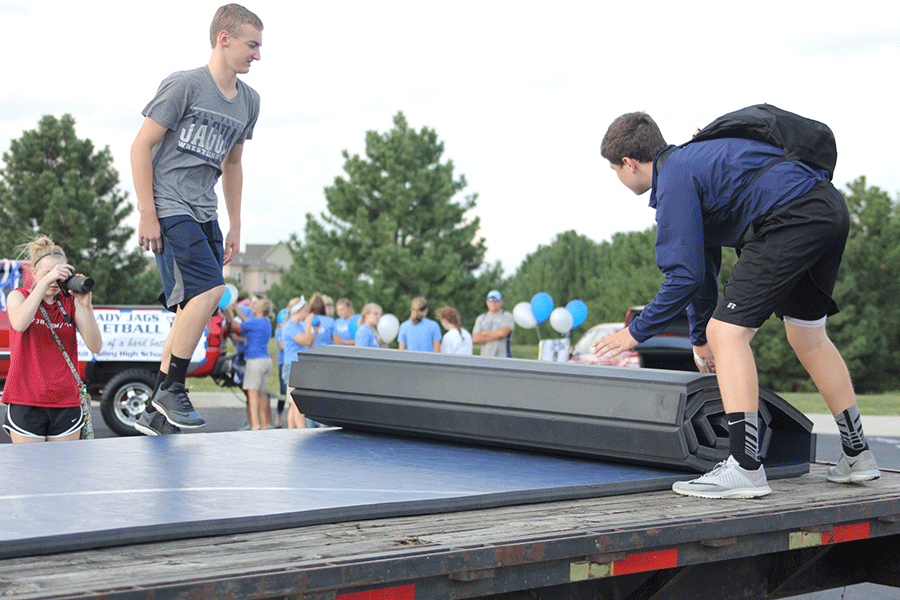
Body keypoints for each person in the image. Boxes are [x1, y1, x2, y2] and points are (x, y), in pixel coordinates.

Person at [592, 110, 880, 499]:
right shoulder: (697, 164)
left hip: (789, 218)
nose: (618, 178)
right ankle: (858, 456)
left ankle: (745, 468)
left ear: (629, 163)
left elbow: (684, 277)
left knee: (727, 333)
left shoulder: (674, 178)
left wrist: (635, 332)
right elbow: (703, 273)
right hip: (826, 210)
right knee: (807, 337)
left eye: (614, 170)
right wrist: (698, 339)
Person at [131, 4, 262, 436]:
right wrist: (147, 213)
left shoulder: (248, 101)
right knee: (211, 291)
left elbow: (235, 163)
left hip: (205, 211)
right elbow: (140, 146)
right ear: (224, 38)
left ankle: (155, 410)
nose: (257, 55)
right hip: (169, 205)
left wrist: (236, 224)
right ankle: (171, 388)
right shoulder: (185, 85)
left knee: (192, 305)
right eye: (252, 45)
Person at [2, 236, 102, 443]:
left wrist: (85, 305)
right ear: (34, 274)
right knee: (29, 473)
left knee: (63, 474)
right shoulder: (18, 296)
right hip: (26, 400)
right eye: (48, 273)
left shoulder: (70, 303)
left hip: (66, 402)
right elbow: (20, 323)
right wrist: (46, 281)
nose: (55, 280)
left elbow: (95, 346)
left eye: (60, 274)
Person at [226, 298, 273, 430]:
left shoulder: (255, 323)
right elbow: (247, 320)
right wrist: (236, 308)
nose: (252, 305)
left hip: (255, 360)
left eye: (255, 305)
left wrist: (230, 312)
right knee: (261, 393)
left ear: (259, 310)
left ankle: (255, 424)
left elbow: (236, 326)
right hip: (266, 360)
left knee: (252, 393)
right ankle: (264, 424)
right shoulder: (265, 322)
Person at [281, 297, 312, 429]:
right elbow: (305, 341)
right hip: (293, 366)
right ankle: (301, 430)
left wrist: (314, 330)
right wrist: (309, 324)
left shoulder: (297, 325)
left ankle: (291, 429)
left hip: (298, 365)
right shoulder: (289, 326)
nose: (307, 314)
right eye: (305, 311)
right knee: (297, 401)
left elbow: (308, 341)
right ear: (297, 311)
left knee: (294, 402)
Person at [472, 290, 515, 357]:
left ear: (501, 302)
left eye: (496, 300)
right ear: (487, 302)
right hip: (485, 359)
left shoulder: (507, 316)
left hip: (504, 359)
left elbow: (502, 334)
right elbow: (475, 338)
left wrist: (484, 334)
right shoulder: (481, 318)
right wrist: (496, 335)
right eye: (490, 300)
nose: (493, 303)